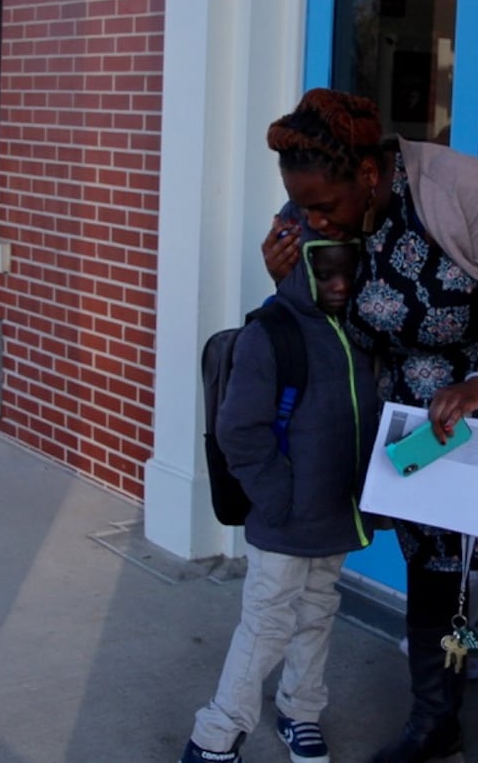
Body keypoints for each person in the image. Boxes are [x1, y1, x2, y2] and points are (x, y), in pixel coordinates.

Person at [262, 88, 478, 763]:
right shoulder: (309, 213)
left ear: (369, 175)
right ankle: (433, 723)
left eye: (323, 207)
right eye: (300, 206)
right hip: (405, 422)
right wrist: (284, 282)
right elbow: (321, 321)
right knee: (431, 566)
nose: (309, 220)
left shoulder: (461, 187)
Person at [181, 235, 379, 763]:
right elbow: (239, 432)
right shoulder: (269, 335)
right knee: (268, 623)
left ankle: (300, 709)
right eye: (327, 274)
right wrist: (278, 498)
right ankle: (215, 736)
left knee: (317, 611)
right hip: (285, 515)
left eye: (348, 272)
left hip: (336, 513)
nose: (339, 286)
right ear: (299, 270)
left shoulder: (357, 332)